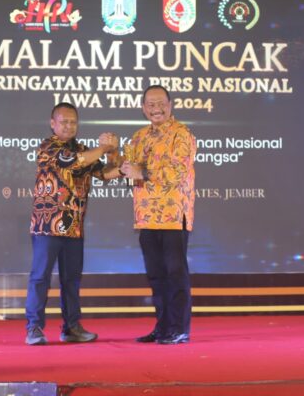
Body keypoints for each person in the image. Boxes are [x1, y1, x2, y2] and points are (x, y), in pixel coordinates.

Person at [25, 102, 120, 345]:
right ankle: (34, 328)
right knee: (40, 277)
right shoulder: (48, 146)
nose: (68, 126)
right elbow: (73, 162)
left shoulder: (83, 149)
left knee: (71, 280)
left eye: (73, 122)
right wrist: (103, 147)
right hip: (48, 225)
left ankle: (71, 328)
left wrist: (114, 153)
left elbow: (106, 174)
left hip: (74, 227)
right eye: (64, 122)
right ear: (53, 123)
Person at [120, 85, 196, 345]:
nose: (157, 109)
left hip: (174, 216)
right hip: (146, 217)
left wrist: (142, 172)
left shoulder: (182, 134)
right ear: (143, 108)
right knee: (156, 276)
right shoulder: (138, 137)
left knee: (175, 274)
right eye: (151, 104)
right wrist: (112, 154)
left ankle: (179, 328)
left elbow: (177, 172)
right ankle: (163, 327)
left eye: (161, 103)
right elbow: (127, 168)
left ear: (170, 105)